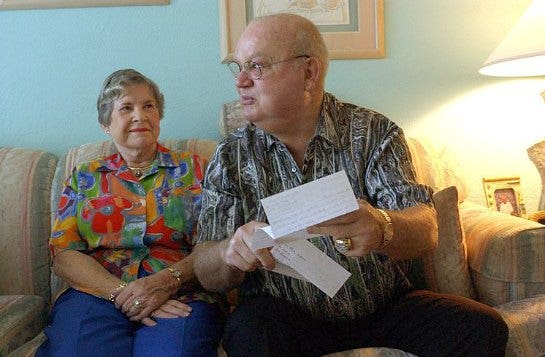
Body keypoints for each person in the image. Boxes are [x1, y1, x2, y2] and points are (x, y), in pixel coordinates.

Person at [193, 13, 508, 357]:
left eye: (256, 66)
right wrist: (230, 252)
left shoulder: (373, 133)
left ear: (309, 73)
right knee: (251, 331)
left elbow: (426, 229)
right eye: (237, 67)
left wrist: (382, 227)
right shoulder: (231, 155)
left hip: (385, 309)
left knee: (482, 328)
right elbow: (205, 270)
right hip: (286, 318)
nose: (240, 80)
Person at [37, 69, 224, 356]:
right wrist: (125, 293)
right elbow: (64, 255)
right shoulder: (85, 177)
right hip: (96, 294)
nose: (140, 115)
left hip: (179, 292)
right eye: (126, 108)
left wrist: (162, 284)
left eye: (148, 106)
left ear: (159, 115)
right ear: (105, 124)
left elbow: (213, 247)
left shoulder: (198, 169)